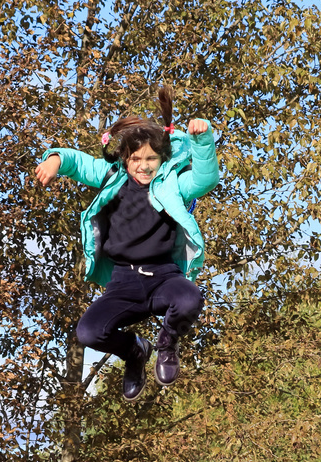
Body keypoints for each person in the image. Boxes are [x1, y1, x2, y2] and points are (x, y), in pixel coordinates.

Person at [34, 87, 219, 400]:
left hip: (164, 277)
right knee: (89, 332)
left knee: (190, 299)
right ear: (124, 159)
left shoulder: (173, 183)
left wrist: (202, 141)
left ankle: (166, 343)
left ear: (163, 159)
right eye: (136, 159)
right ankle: (135, 351)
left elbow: (205, 180)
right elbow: (77, 163)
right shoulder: (112, 176)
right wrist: (54, 160)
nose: (143, 166)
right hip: (124, 282)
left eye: (151, 159)